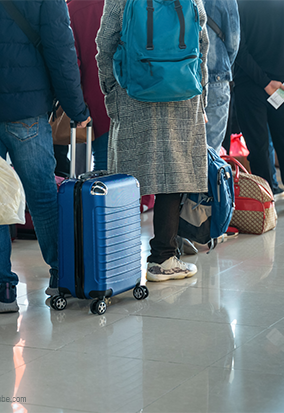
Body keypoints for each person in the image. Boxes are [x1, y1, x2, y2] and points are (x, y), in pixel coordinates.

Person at [0, 0, 91, 312]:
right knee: (43, 196)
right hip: (28, 110)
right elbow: (61, 51)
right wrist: (77, 110)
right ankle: (62, 275)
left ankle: (3, 288)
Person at [97, 0, 210, 280]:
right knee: (173, 177)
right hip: (183, 94)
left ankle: (117, 259)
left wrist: (111, 91)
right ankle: (164, 257)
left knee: (127, 180)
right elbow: (203, 47)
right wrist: (202, 97)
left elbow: (104, 45)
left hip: (134, 93)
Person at [231, 0, 284, 214]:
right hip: (283, 86)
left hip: (250, 85)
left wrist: (264, 83)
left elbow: (239, 49)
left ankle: (266, 205)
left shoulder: (242, 4)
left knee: (258, 148)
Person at [67, 0, 112, 171]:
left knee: (105, 169)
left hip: (98, 102)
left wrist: (76, 107)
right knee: (143, 174)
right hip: (139, 96)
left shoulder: (73, 9)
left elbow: (72, 66)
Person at [202, 0, 240, 152]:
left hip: (185, 80)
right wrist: (223, 66)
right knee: (212, 151)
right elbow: (233, 42)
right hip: (216, 78)